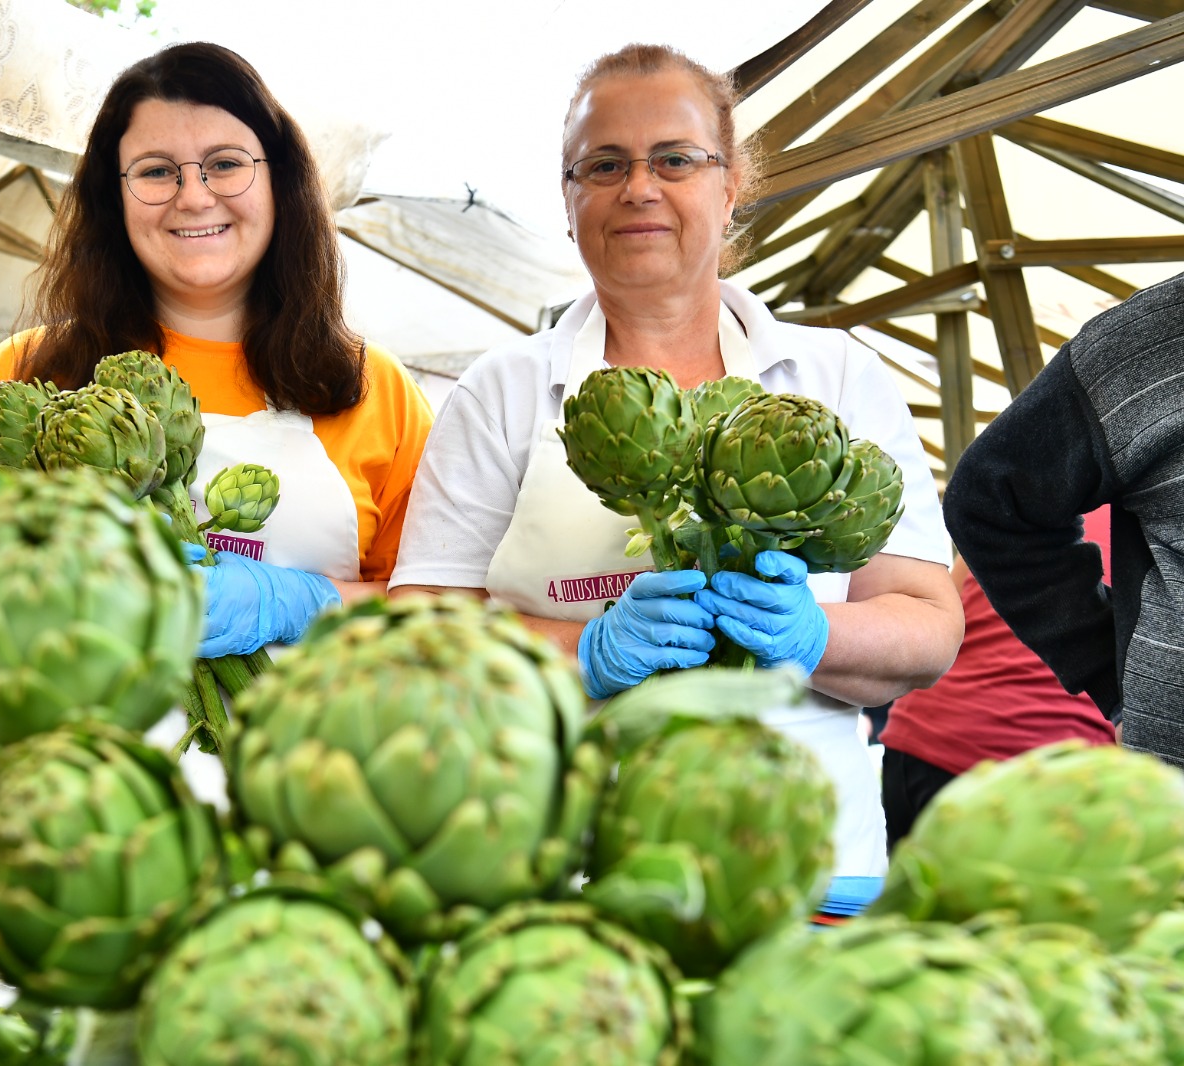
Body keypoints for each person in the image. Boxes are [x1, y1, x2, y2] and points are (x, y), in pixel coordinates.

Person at [389, 43, 962, 876]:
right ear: (569, 200)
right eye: (604, 165)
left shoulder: (838, 375)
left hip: (805, 855)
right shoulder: (501, 389)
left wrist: (814, 634)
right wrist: (585, 651)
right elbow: (422, 636)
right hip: (560, 854)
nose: (639, 188)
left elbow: (929, 624)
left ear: (731, 186)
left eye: (675, 159)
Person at [0, 42, 433, 885]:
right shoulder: (26, 378)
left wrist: (293, 603)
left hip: (289, 831)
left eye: (226, 164)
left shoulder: (372, 389)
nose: (194, 196)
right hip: (34, 832)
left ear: (279, 181)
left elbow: (435, 615)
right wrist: (50, 611)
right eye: (156, 172)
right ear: (114, 196)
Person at [943, 272, 1184, 768]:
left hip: (974, 738)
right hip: (1007, 748)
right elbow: (986, 500)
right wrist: (1113, 679)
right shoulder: (1151, 339)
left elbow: (957, 586)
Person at [880, 507, 1116, 850]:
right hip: (1033, 777)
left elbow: (943, 611)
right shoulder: (1157, 535)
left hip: (921, 741)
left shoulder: (1019, 499)